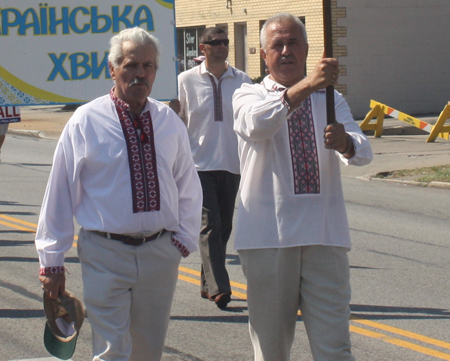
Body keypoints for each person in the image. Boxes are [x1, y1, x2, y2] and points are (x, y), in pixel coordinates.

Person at [35, 27, 202, 361]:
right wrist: (51, 262)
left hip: (159, 252)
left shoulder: (168, 121)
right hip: (105, 253)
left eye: (148, 66)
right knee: (112, 349)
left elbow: (187, 184)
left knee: (148, 350)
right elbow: (60, 192)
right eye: (130, 65)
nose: (140, 73)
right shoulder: (86, 120)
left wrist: (183, 239)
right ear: (112, 69)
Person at [232, 13, 373, 361]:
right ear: (263, 55)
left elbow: (363, 151)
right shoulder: (248, 95)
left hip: (324, 237)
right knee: (271, 349)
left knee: (335, 348)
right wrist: (308, 86)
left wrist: (346, 142)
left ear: (307, 49)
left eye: (293, 42)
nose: (285, 51)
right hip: (268, 240)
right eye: (276, 45)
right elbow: (257, 124)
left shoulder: (329, 98)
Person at [178, 27, 252, 309]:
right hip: (199, 164)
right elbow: (180, 122)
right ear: (203, 47)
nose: (222, 47)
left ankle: (207, 282)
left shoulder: (242, 81)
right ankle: (221, 288)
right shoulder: (186, 81)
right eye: (215, 42)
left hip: (232, 164)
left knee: (224, 228)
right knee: (210, 225)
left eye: (225, 42)